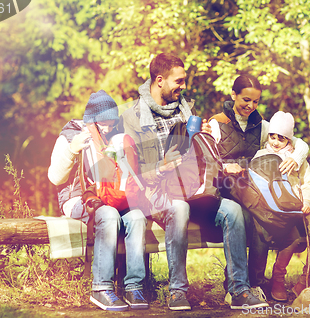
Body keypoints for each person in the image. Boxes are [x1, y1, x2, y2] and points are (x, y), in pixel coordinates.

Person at [119, 53, 268, 311]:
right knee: (179, 208)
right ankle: (177, 291)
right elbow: (133, 173)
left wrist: (205, 138)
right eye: (179, 81)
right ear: (159, 80)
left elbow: (200, 154)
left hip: (193, 187)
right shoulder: (133, 117)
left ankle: (239, 290)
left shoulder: (187, 108)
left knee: (232, 211)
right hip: (156, 191)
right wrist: (162, 166)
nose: (184, 86)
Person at [208, 74, 310, 294]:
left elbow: (298, 142)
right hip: (225, 190)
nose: (251, 106)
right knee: (254, 219)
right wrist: (225, 167)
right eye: (246, 100)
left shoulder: (261, 126)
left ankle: (251, 283)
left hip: (252, 190)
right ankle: (241, 284)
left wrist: (296, 157)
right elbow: (204, 158)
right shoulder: (216, 123)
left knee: (262, 222)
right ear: (233, 95)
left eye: (255, 101)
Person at [48, 90, 148, 311]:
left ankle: (133, 286)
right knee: (108, 215)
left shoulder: (114, 137)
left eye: (112, 123)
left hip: (111, 197)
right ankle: (101, 288)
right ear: (92, 119)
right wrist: (73, 151)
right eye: (104, 123)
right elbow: (55, 178)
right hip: (76, 199)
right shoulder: (71, 135)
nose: (108, 128)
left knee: (138, 217)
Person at [252, 111, 310, 301]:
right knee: (291, 237)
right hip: (277, 210)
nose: (276, 141)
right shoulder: (262, 155)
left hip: (300, 206)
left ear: (289, 138)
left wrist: (308, 202)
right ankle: (278, 279)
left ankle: (306, 281)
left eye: (282, 138)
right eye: (273, 136)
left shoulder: (296, 158)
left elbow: (308, 183)